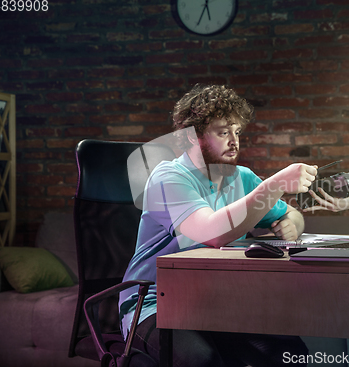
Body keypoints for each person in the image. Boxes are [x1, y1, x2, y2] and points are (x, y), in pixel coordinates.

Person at [119, 84, 316, 367]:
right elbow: (211, 232)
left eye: (237, 132)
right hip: (153, 304)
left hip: (216, 303)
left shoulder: (242, 177)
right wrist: (276, 183)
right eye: (223, 132)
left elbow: (291, 215)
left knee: (289, 354)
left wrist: (290, 223)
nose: (235, 141)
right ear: (192, 138)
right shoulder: (168, 178)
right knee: (202, 360)